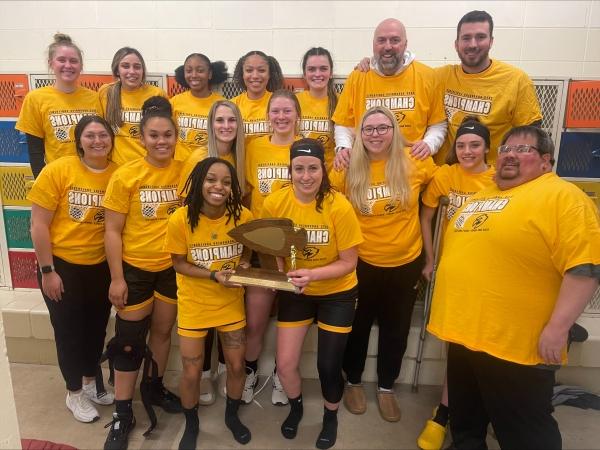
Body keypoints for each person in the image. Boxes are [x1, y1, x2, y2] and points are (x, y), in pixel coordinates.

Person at [428, 126, 599, 450]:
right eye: (506, 148)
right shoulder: (484, 195)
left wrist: (559, 327)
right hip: (466, 336)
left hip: (516, 345)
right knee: (466, 420)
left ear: (546, 161)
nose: (509, 154)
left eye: (523, 150)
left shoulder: (562, 197)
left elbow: (585, 268)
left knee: (524, 430)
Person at [329, 106, 437, 422]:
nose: (376, 134)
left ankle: (387, 387)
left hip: (405, 262)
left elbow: (446, 183)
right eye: (368, 128)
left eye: (382, 127)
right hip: (362, 262)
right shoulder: (345, 166)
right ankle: (354, 382)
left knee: (397, 330)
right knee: (357, 327)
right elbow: (326, 203)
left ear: (394, 130)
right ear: (359, 134)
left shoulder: (416, 161)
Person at [262, 139, 362, 449]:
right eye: (299, 169)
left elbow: (349, 262)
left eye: (313, 169)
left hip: (337, 292)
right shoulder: (275, 203)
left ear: (324, 169)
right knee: (286, 363)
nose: (306, 176)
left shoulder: (339, 206)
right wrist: (286, 273)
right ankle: (296, 408)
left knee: (328, 366)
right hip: (297, 291)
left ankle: (330, 416)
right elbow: (275, 246)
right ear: (290, 170)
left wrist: (312, 275)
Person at [102, 96, 183, 450]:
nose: (161, 141)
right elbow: (112, 231)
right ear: (142, 137)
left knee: (163, 333)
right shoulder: (126, 175)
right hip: (134, 269)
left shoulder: (186, 170)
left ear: (176, 135)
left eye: (167, 134)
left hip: (171, 269)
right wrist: (117, 278)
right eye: (154, 135)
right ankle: (122, 413)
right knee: (130, 341)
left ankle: (154, 386)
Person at [27, 115, 117, 423]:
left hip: (100, 265)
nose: (97, 141)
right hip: (62, 265)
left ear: (111, 139)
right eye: (90, 136)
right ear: (78, 140)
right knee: (69, 333)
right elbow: (38, 224)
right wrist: (47, 270)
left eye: (103, 135)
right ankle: (74, 392)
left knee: (96, 329)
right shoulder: (58, 170)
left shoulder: (118, 174)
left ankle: (91, 383)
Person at [416, 117, 495, 450]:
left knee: (480, 346)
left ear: (487, 148)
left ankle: (456, 410)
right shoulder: (445, 176)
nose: (467, 151)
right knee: (457, 344)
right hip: (451, 272)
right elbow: (427, 215)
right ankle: (446, 410)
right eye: (461, 145)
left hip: (487, 275)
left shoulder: (498, 179)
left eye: (474, 145)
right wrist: (430, 259)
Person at [166, 157, 254, 449]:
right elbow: (178, 264)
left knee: (237, 366)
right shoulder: (180, 219)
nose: (219, 187)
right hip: (194, 305)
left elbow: (247, 253)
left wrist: (242, 265)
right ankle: (192, 424)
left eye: (226, 182)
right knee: (191, 371)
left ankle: (232, 416)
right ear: (199, 182)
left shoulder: (244, 216)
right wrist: (214, 274)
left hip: (230, 304)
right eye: (211, 179)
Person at [242, 89, 302, 406]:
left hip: (296, 247)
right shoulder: (254, 147)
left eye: (287, 111)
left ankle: (282, 374)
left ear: (297, 116)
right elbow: (247, 191)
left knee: (290, 320)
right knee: (256, 320)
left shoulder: (306, 148)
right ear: (268, 116)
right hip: (262, 244)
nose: (281, 117)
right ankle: (250, 372)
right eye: (275, 111)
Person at [434, 10, 542, 166]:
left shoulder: (517, 80)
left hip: (492, 178)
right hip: (447, 177)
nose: (473, 44)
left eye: (480, 37)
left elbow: (531, 137)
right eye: (466, 38)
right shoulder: (440, 77)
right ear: (456, 44)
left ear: (491, 41)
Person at [332, 18, 446, 166]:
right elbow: (343, 123)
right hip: (368, 167)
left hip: (412, 166)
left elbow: (438, 123)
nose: (388, 46)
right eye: (381, 40)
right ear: (373, 45)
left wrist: (429, 144)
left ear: (405, 44)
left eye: (395, 40)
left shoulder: (427, 76)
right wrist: (343, 147)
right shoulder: (358, 76)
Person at [16, 33, 103, 177]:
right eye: (61, 60)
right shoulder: (35, 99)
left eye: (73, 61)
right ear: (51, 63)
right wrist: (43, 184)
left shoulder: (95, 98)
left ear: (81, 66)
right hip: (58, 178)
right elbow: (35, 151)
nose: (68, 65)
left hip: (93, 175)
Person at [99, 47, 168, 166]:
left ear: (143, 71)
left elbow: (167, 134)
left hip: (148, 166)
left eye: (137, 67)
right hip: (116, 167)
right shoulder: (106, 93)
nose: (132, 71)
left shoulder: (157, 94)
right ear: (117, 70)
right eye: (125, 66)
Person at [170, 53, 227, 162]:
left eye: (200, 70)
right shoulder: (174, 102)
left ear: (209, 74)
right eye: (189, 71)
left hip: (209, 168)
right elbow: (170, 137)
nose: (194, 75)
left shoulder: (221, 104)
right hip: (181, 168)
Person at [296, 47, 338, 171]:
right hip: (302, 174)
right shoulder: (294, 101)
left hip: (333, 173)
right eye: (311, 69)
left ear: (331, 73)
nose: (317, 74)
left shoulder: (342, 102)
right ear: (304, 73)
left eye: (323, 69)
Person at [231, 50, 284, 143]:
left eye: (261, 70)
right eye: (249, 70)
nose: (255, 76)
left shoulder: (279, 103)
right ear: (242, 74)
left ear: (269, 74)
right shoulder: (232, 105)